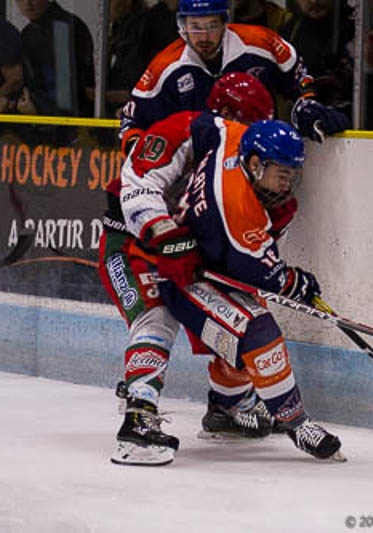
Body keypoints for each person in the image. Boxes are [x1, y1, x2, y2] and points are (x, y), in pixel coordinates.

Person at [101, 73, 278, 466]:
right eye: (249, 124)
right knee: (157, 317)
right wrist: (164, 233)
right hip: (135, 248)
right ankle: (138, 418)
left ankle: (228, 408)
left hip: (190, 257)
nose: (253, 136)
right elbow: (137, 183)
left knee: (241, 312)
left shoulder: (247, 160)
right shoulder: (178, 131)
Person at [159, 118, 344, 462]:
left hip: (204, 264)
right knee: (258, 331)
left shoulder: (236, 137)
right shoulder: (238, 208)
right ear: (255, 164)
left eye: (292, 172)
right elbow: (269, 277)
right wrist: (297, 283)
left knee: (242, 336)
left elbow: (205, 125)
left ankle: (223, 411)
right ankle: (295, 422)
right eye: (281, 172)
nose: (288, 181)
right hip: (184, 278)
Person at [118, 0, 350, 154]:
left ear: (224, 23)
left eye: (211, 26)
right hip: (191, 167)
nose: (204, 36)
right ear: (182, 26)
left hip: (256, 158)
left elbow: (299, 79)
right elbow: (132, 121)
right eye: (195, 27)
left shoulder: (260, 44)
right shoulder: (165, 66)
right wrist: (143, 154)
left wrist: (305, 105)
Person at [14, 0, 95, 117]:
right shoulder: (28, 34)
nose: (27, 3)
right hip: (46, 113)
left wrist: (39, 109)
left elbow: (68, 89)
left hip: (69, 119)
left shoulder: (64, 27)